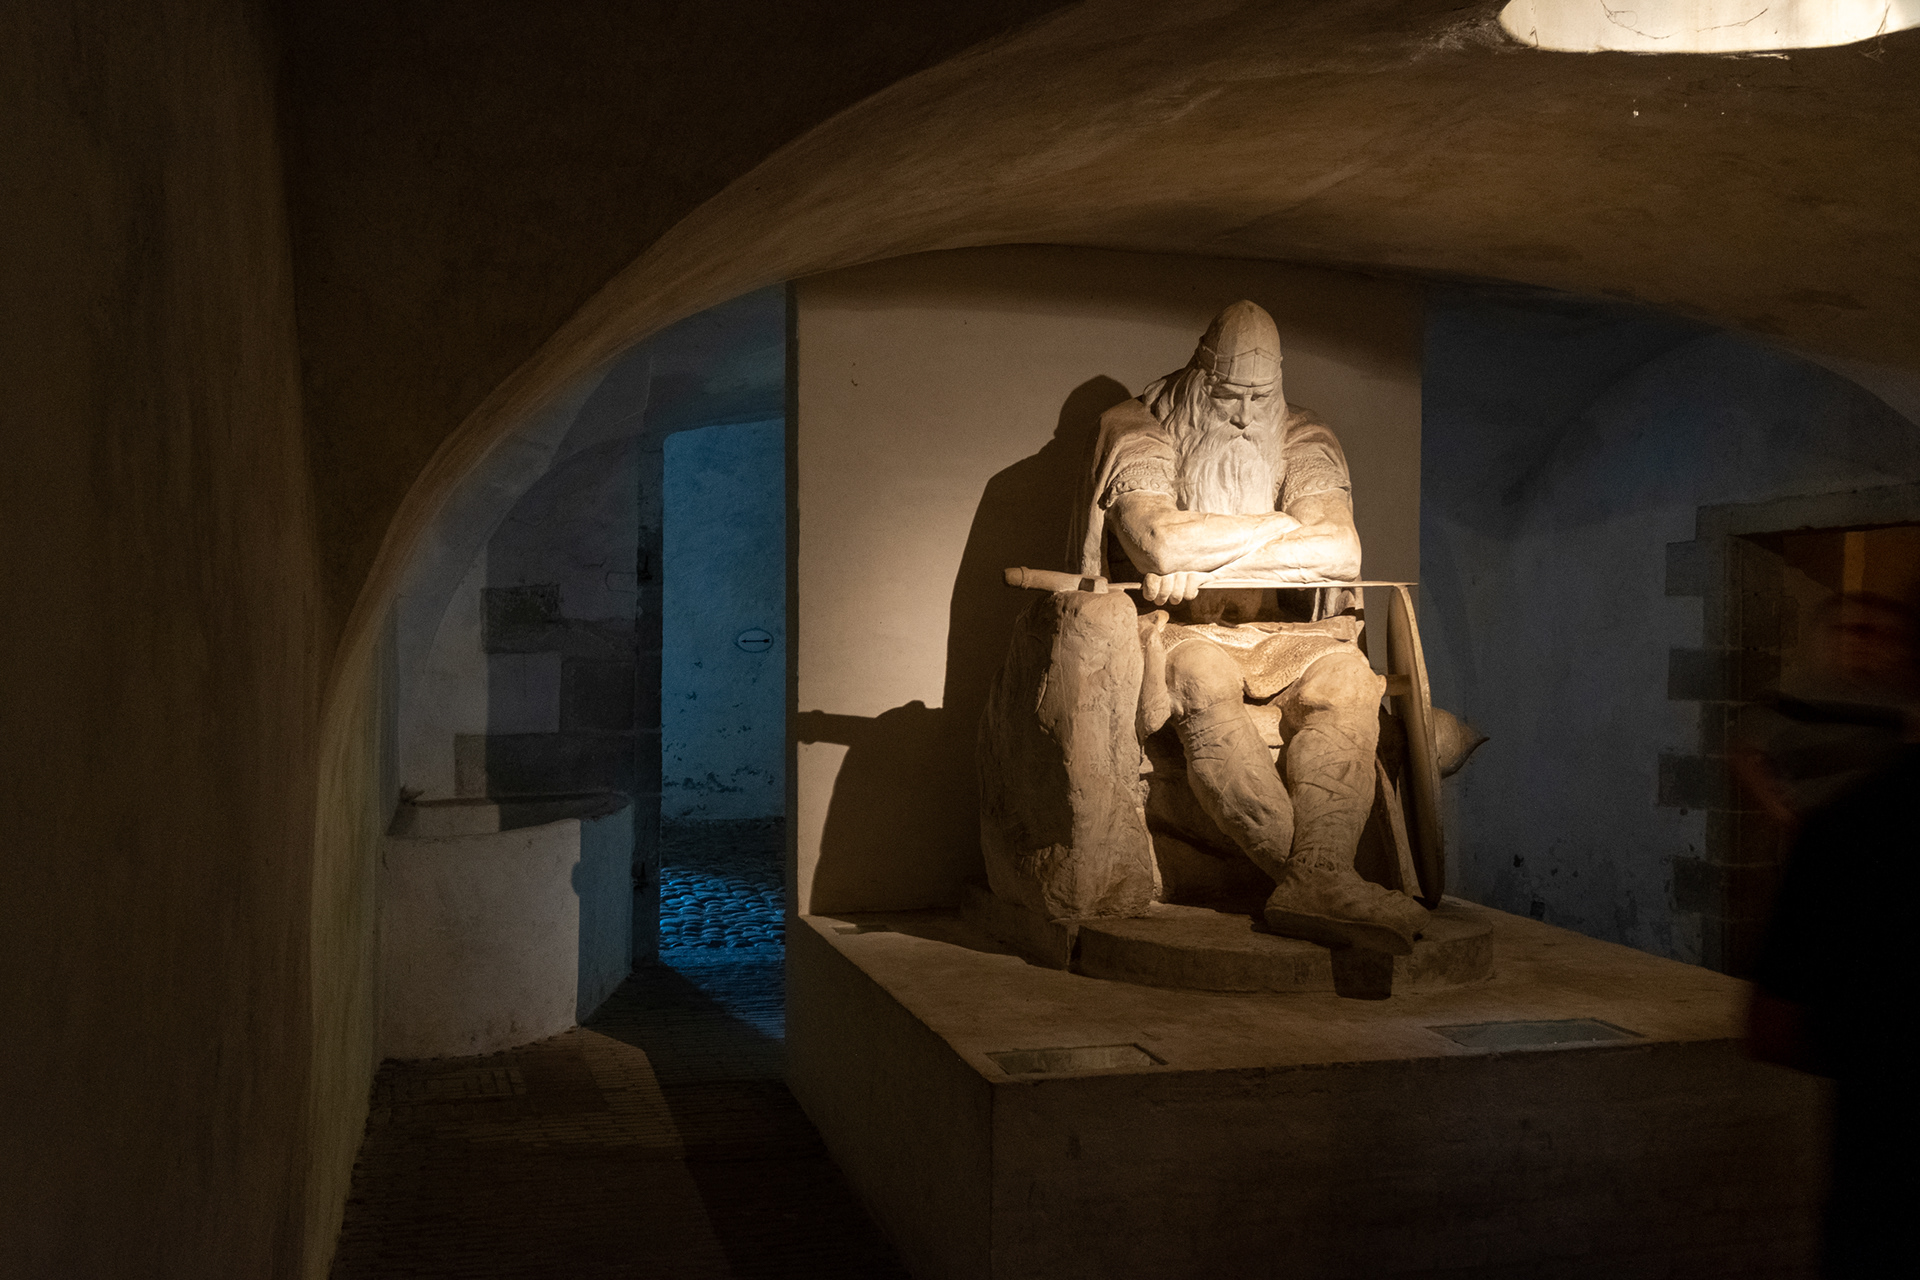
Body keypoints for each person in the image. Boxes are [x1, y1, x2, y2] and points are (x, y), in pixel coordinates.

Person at [1072, 300, 1427, 953]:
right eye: (1227, 395)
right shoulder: (1136, 431)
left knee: (1348, 680)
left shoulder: (1302, 436)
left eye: (1259, 398)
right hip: (1174, 631)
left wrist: (1202, 549)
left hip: (1281, 636)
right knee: (1200, 676)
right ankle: (1318, 883)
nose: (1242, 416)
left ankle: (1316, 878)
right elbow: (1158, 541)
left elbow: (1341, 552)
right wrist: (1280, 525)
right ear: (1197, 375)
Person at [1747, 589, 1920, 1276]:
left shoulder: (1852, 829)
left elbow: (1775, 1030)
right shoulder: (1801, 698)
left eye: (1879, 633)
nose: (1865, 644)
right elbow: (1750, 753)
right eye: (1852, 630)